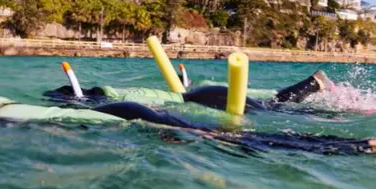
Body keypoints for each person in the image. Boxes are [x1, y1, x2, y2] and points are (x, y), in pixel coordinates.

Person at [0, 69, 376, 156]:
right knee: (244, 140)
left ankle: (373, 147)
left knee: (239, 143)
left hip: (134, 120)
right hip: (129, 113)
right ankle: (366, 144)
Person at [44, 70, 335, 112]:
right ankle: (312, 84)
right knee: (268, 106)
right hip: (204, 94)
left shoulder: (115, 98)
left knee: (269, 109)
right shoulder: (120, 91)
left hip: (204, 98)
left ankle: (312, 86)